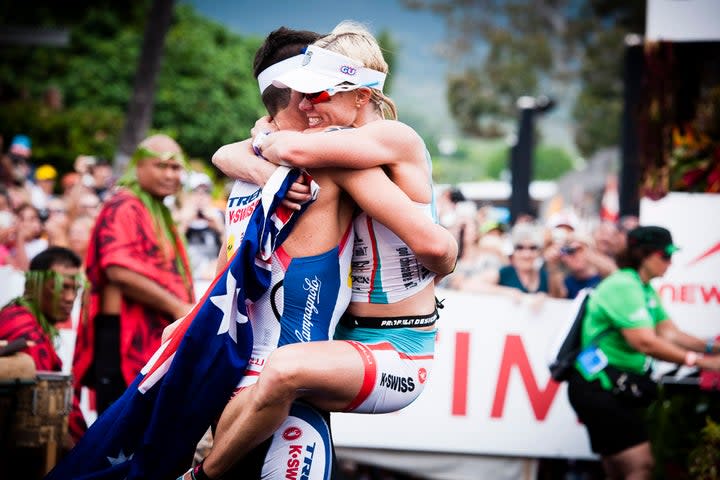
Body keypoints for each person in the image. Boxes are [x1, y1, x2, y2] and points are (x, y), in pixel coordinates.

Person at [198, 22, 457, 479]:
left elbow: (440, 249)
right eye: (302, 93)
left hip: (400, 349)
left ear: (360, 95)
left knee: (281, 370)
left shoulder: (391, 138)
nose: (305, 105)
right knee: (256, 383)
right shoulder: (342, 150)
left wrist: (433, 266)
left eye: (318, 94)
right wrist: (256, 155)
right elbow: (233, 152)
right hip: (352, 342)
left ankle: (202, 474)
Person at [566, 225, 720, 480]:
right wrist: (703, 362)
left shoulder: (643, 288)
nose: (670, 262)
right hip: (599, 387)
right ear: (644, 255)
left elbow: (671, 334)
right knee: (641, 465)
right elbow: (646, 343)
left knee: (619, 470)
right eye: (666, 255)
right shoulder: (624, 286)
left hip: (610, 387)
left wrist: (713, 348)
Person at [72, 134, 195, 414]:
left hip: (150, 333)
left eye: (176, 168)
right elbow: (119, 270)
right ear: (138, 167)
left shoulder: (157, 210)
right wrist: (179, 308)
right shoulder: (125, 205)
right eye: (161, 166)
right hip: (122, 336)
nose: (170, 174)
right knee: (119, 434)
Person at [0, 246, 87, 442]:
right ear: (34, 286)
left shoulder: (28, 320)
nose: (70, 298)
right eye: (61, 287)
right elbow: (44, 412)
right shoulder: (22, 327)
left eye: (75, 288)